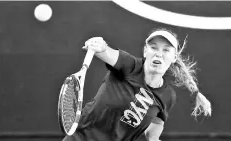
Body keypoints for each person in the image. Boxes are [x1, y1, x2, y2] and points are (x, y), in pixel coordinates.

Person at [63, 28, 211, 141]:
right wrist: (100, 46)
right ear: (145, 51)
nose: (159, 53)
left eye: (166, 50)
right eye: (153, 47)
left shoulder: (167, 96)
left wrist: (153, 139)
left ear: (174, 58)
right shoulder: (130, 65)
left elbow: (157, 123)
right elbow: (107, 53)